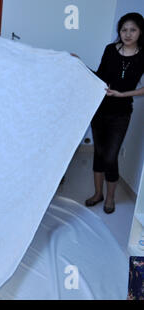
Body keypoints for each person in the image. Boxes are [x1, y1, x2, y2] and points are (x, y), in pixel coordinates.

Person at [84, 12, 144, 214]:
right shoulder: (110, 50)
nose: (127, 34)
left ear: (140, 32)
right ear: (119, 31)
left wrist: (122, 94)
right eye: (124, 29)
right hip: (99, 109)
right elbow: (100, 77)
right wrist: (80, 65)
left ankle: (110, 198)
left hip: (121, 112)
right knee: (99, 154)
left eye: (133, 30)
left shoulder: (143, 54)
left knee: (110, 157)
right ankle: (98, 193)